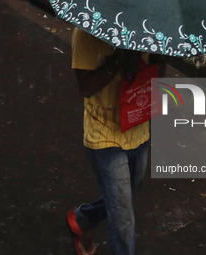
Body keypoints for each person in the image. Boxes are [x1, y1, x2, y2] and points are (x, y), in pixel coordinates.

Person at [67, 27, 158, 255]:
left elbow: (157, 68)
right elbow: (86, 87)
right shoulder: (85, 33)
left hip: (138, 126)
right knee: (123, 218)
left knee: (131, 193)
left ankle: (84, 218)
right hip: (105, 133)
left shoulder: (149, 26)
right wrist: (119, 59)